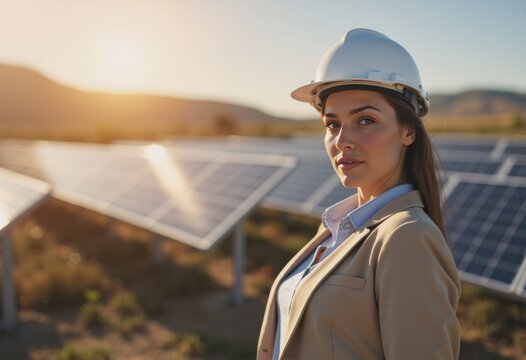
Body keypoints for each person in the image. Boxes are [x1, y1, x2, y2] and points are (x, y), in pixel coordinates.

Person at [257, 28, 461, 360]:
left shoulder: (407, 237)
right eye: (332, 124)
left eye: (365, 120)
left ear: (408, 131)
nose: (341, 141)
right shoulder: (336, 227)